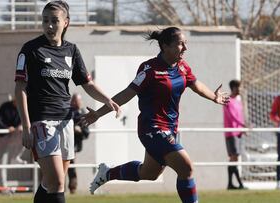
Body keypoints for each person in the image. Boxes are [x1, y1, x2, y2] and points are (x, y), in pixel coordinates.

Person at [81, 27, 229, 203]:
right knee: (186, 168)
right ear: (165, 46)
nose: (185, 48)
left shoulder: (183, 67)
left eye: (185, 43)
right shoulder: (149, 69)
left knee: (148, 173)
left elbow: (196, 85)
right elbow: (127, 93)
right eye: (180, 44)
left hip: (170, 129)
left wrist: (214, 97)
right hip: (152, 128)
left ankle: (108, 172)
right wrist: (99, 113)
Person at [14, 1, 120, 203]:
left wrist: (108, 100)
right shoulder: (30, 49)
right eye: (46, 20)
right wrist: (26, 126)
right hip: (42, 122)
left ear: (66, 23)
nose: (49, 25)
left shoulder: (71, 50)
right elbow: (20, 88)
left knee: (54, 183)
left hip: (66, 122)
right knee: (56, 180)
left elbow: (87, 84)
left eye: (55, 20)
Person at [0, 97, 27, 189]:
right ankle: (3, 186)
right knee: (2, 162)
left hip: (12, 135)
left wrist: (20, 126)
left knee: (26, 136)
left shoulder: (23, 108)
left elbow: (26, 120)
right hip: (0, 137)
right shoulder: (5, 106)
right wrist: (6, 128)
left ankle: (15, 157)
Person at [223, 79, 246, 190]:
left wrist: (242, 128)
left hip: (239, 133)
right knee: (233, 157)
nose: (240, 89)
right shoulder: (228, 101)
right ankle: (238, 183)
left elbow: (240, 116)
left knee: (235, 158)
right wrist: (243, 125)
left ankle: (231, 184)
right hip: (231, 133)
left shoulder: (238, 101)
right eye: (239, 87)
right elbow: (233, 116)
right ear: (234, 88)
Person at [67, 93, 90, 194]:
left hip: (74, 144)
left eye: (79, 100)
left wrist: (79, 130)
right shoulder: (68, 112)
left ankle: (72, 187)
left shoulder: (82, 113)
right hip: (65, 142)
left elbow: (86, 131)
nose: (78, 103)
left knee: (70, 164)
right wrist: (72, 128)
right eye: (76, 100)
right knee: (66, 165)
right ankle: (64, 187)